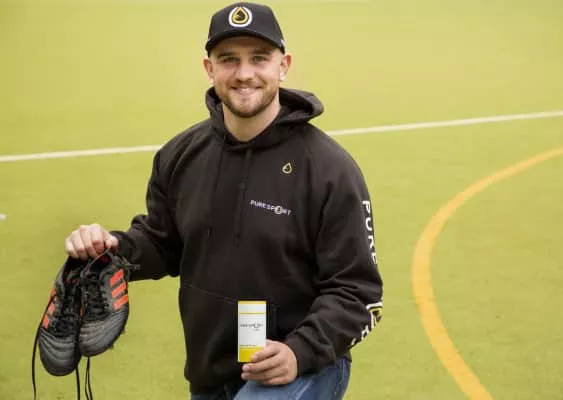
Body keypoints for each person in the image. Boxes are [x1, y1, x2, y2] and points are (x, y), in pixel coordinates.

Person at [64, 2, 384, 399]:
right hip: (211, 368)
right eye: (229, 59)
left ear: (283, 66)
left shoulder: (330, 170)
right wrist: (110, 248)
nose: (244, 73)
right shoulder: (180, 155)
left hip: (302, 366)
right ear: (209, 68)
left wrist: (298, 352)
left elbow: (359, 293)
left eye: (259, 58)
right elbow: (163, 242)